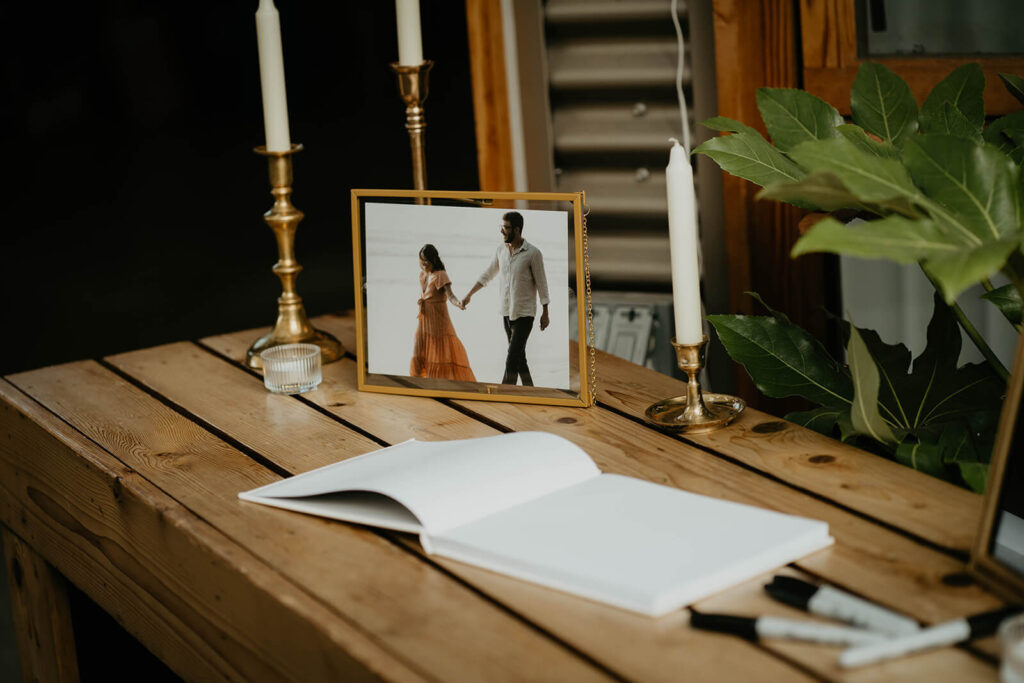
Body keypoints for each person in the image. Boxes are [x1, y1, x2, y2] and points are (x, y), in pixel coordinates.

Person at [462, 211, 549, 386]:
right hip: (506, 313)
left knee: (511, 360)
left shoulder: (533, 253)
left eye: (506, 228)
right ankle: (530, 391)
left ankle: (503, 394)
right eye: (501, 227)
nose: (502, 231)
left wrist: (545, 312)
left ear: (517, 230)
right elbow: (487, 275)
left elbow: (542, 284)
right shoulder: (501, 250)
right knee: (519, 359)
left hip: (525, 314)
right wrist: (469, 295)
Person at [410, 244, 476, 381]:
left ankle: (439, 383)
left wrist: (459, 303)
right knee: (417, 348)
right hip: (423, 320)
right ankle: (416, 382)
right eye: (421, 260)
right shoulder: (423, 275)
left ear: (433, 259)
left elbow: (450, 296)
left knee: (439, 354)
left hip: (438, 321)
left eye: (426, 260)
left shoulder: (441, 275)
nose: (424, 263)